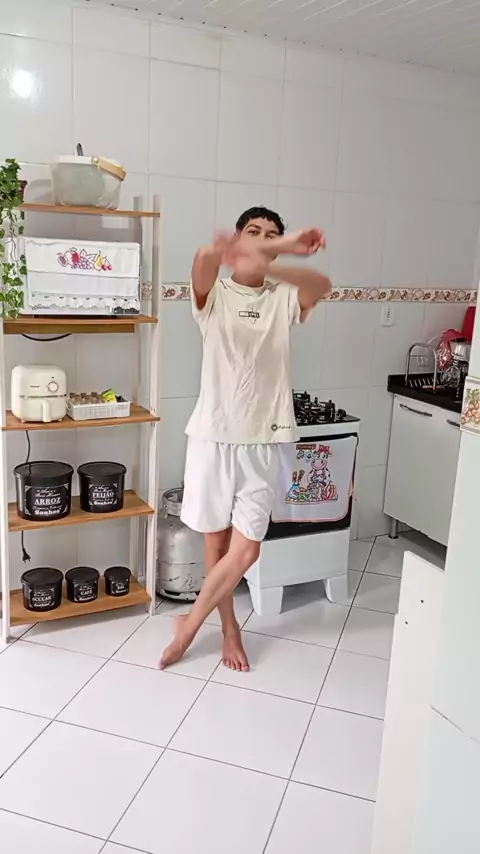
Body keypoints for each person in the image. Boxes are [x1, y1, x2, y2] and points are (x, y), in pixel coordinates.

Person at [160, 206, 332, 671]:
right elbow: (203, 259)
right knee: (216, 544)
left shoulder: (283, 297)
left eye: (271, 235)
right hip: (213, 435)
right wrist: (260, 247)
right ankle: (230, 630)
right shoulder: (214, 294)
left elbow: (320, 285)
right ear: (238, 238)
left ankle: (188, 626)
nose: (262, 239)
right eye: (253, 232)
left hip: (264, 439)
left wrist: (276, 253)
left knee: (248, 549)